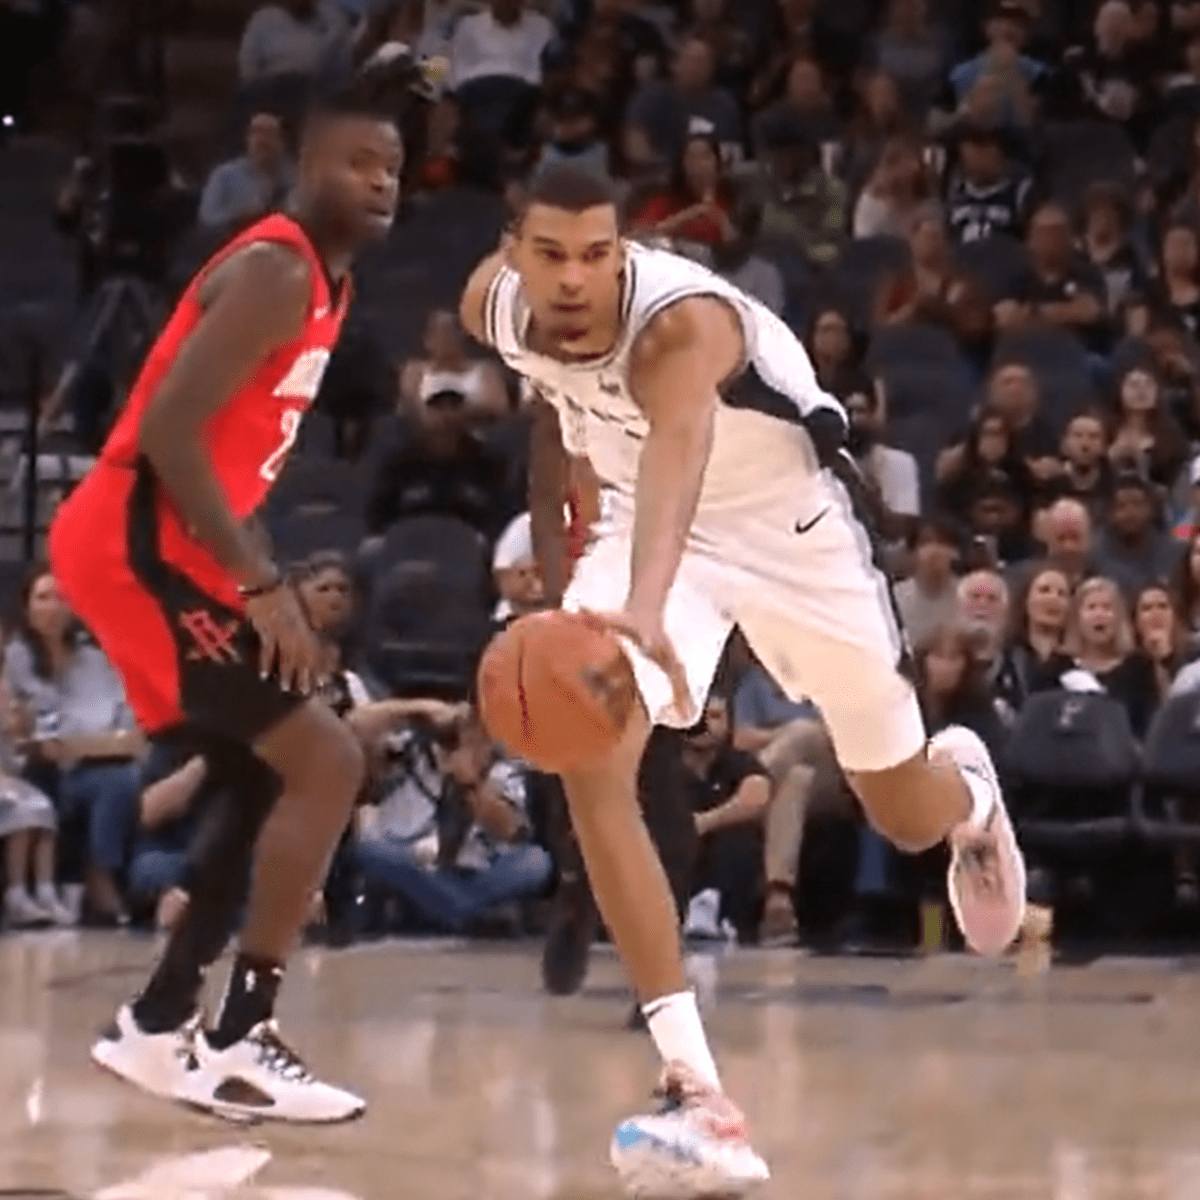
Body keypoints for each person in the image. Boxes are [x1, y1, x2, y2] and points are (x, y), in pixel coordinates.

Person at [459, 164, 1027, 1196]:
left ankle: (973, 794)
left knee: (904, 812)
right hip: (637, 521)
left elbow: (681, 440)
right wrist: (565, 567)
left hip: (794, 531)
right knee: (594, 748)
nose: (577, 278)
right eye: (551, 255)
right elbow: (559, 422)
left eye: (599, 254)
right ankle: (695, 1091)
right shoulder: (492, 307)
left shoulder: (683, 325)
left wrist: (645, 597)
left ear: (625, 252)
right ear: (513, 255)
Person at [46, 76, 407, 1124]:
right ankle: (240, 1033)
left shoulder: (330, 287)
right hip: (130, 540)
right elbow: (165, 433)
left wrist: (261, 576)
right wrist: (259, 584)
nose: (378, 181)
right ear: (303, 168)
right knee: (328, 755)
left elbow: (228, 458)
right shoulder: (272, 269)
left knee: (271, 771)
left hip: (182, 546)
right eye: (356, 162)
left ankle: (161, 1026)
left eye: (391, 167)